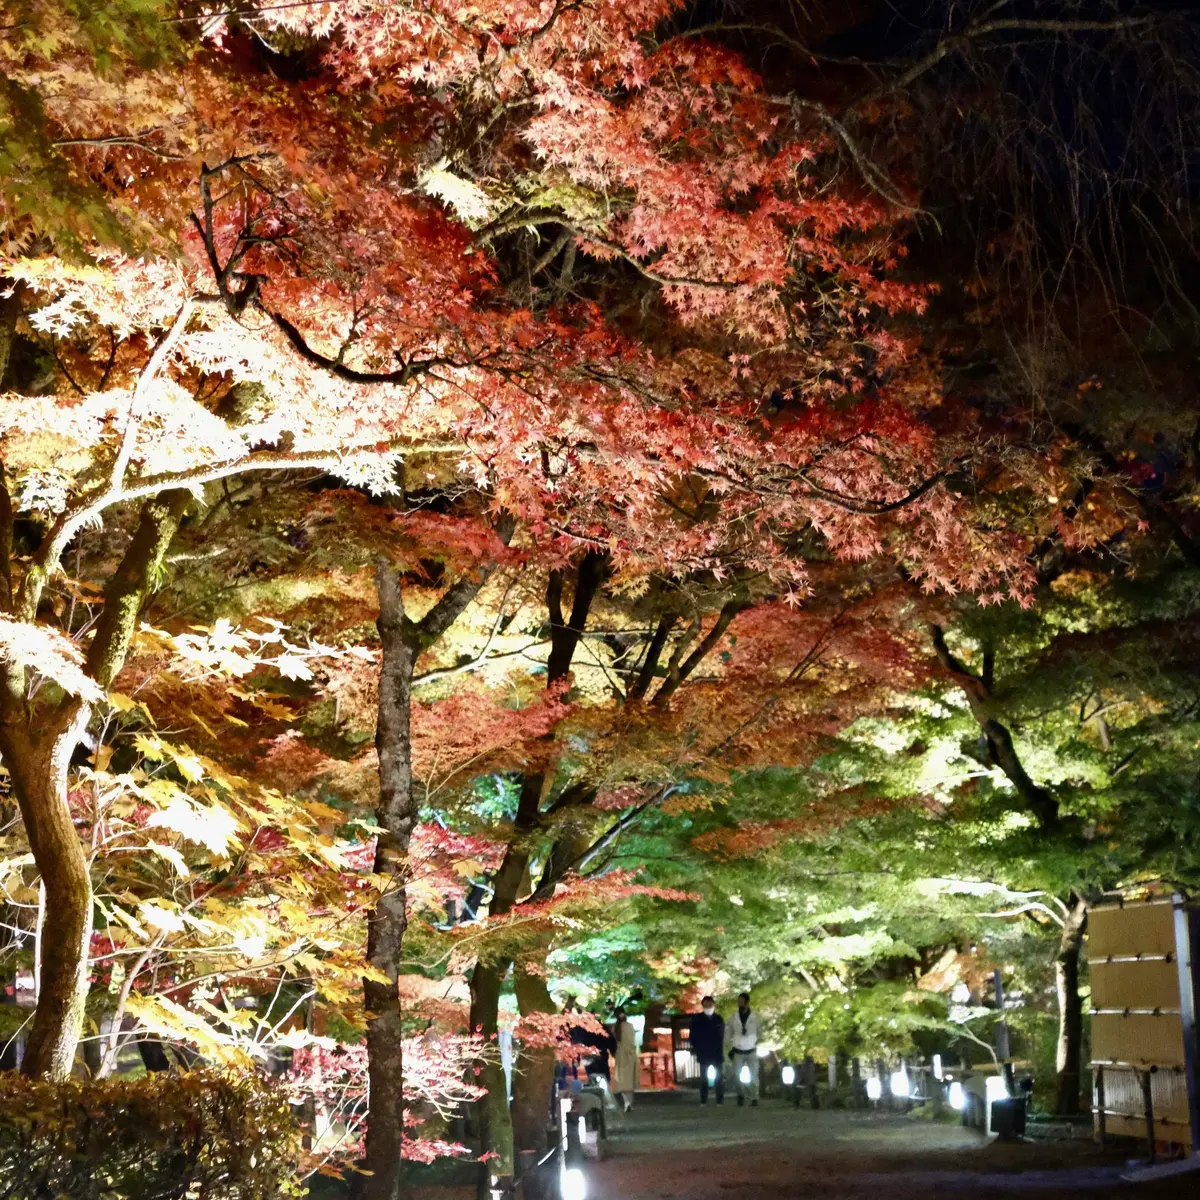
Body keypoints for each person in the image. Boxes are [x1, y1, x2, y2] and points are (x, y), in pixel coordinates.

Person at [725, 992, 760, 1107]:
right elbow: (728, 1032)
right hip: (738, 1049)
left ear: (747, 1002)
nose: (740, 1003)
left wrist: (758, 1041)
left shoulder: (755, 1016)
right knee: (736, 1075)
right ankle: (740, 1094)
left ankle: (754, 1097)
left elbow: (760, 1031)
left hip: (751, 1049)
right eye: (738, 1001)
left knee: (754, 1075)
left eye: (742, 1001)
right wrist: (727, 1045)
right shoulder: (734, 1017)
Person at [690, 996, 725, 1104]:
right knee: (704, 1078)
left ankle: (719, 1100)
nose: (708, 1007)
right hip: (704, 1052)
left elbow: (723, 1035)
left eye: (710, 1004)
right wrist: (696, 1048)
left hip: (716, 1052)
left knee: (719, 1077)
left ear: (713, 1005)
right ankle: (703, 1100)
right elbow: (693, 1036)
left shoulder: (718, 1019)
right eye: (705, 1005)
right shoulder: (697, 1019)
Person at [611, 1006, 638, 1113]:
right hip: (630, 1054)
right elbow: (632, 1041)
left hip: (620, 1055)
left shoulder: (615, 1028)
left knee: (622, 1080)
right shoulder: (630, 1026)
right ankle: (629, 1103)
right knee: (630, 1080)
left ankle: (626, 1102)